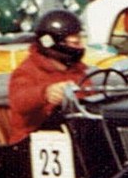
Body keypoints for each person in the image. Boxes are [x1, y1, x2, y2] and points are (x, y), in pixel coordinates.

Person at [7, 10, 88, 144]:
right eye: (74, 42)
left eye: (79, 40)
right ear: (51, 42)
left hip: (74, 136)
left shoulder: (77, 69)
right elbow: (19, 100)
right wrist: (44, 93)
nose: (80, 45)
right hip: (33, 141)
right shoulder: (27, 70)